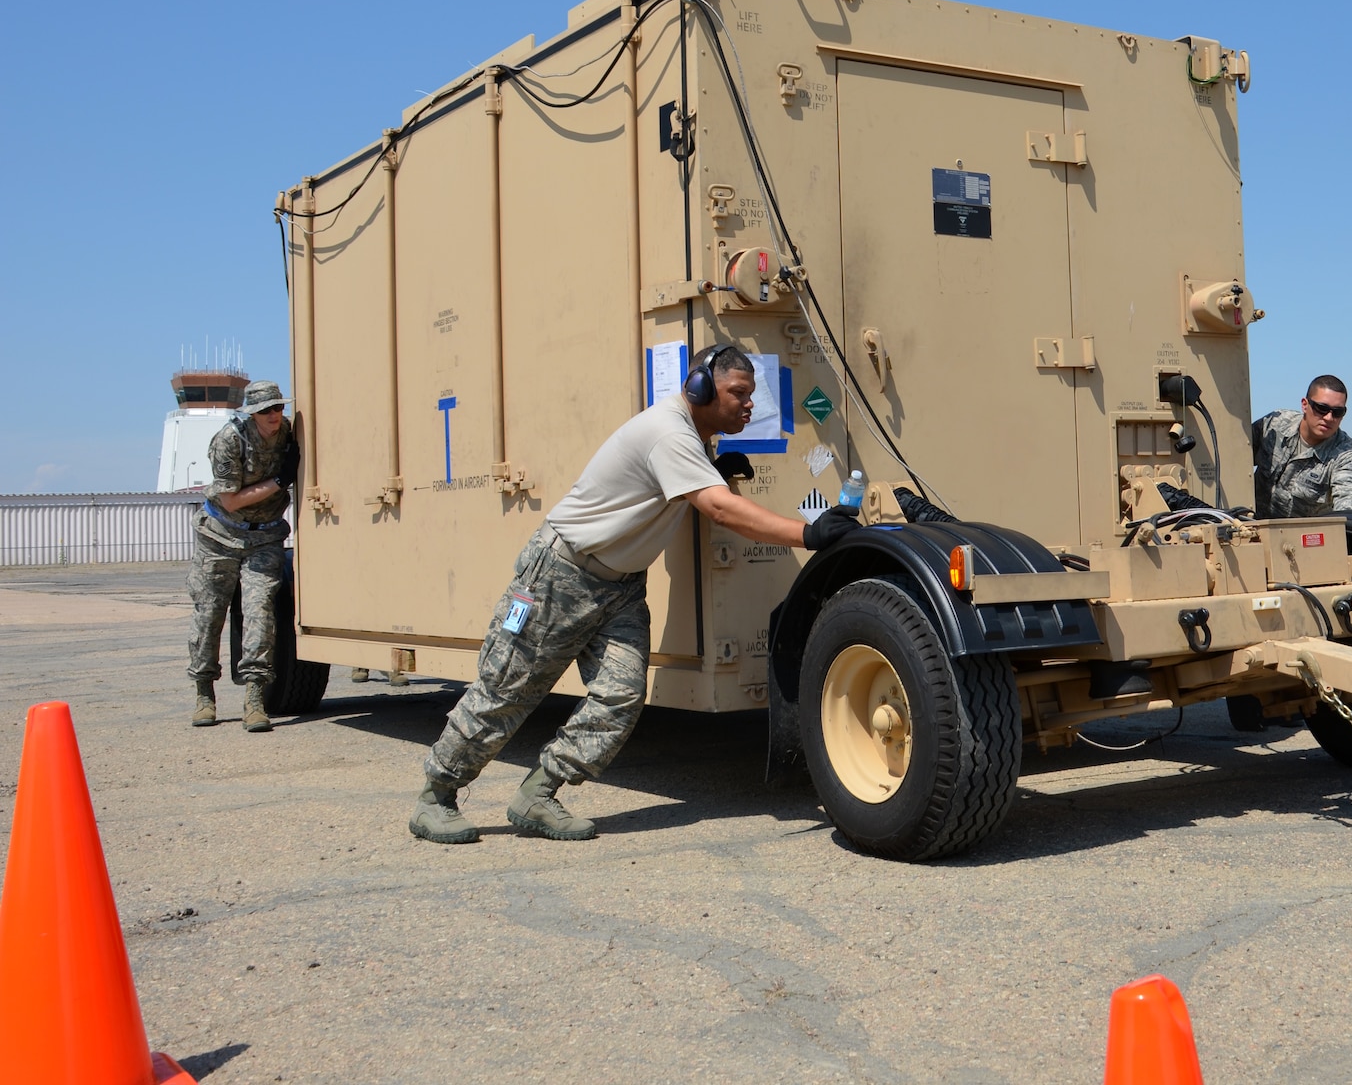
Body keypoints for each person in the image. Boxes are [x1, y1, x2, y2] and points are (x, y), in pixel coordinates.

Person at [409, 345, 861, 844]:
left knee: (621, 695)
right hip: (561, 576)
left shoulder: (692, 437)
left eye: (752, 395)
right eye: (737, 393)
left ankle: (537, 795)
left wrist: (715, 464)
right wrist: (809, 533)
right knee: (507, 689)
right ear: (700, 388)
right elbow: (720, 510)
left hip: (620, 588)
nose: (748, 405)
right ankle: (435, 797)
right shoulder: (668, 432)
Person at [187, 380, 299, 732]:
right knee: (209, 615)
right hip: (219, 535)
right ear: (251, 413)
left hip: (264, 536)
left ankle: (254, 697)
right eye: (265, 411)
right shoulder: (229, 440)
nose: (274, 416)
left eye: (278, 408)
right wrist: (280, 481)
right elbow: (231, 499)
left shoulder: (287, 434)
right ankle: (204, 692)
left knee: (260, 611)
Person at [1252, 374, 1352, 519]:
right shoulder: (1275, 425)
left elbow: (1351, 502)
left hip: (1301, 539)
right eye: (1322, 408)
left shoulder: (1345, 457)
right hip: (1246, 531)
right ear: (1305, 405)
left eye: (1337, 412)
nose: (1329, 418)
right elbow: (1231, 453)